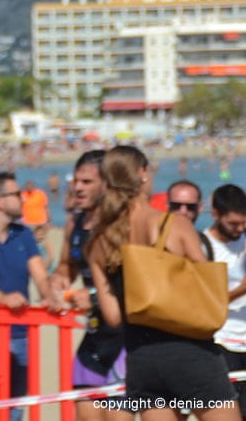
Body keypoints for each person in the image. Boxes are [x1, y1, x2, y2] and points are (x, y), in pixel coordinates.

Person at [89, 145, 237, 421]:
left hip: (142, 358)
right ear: (143, 174)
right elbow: (207, 288)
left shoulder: (99, 242)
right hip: (192, 352)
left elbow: (112, 316)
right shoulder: (173, 225)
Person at [47, 150, 130, 421]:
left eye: (87, 182)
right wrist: (57, 282)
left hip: (126, 339)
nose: (77, 188)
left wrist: (93, 297)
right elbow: (66, 266)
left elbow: (140, 285)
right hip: (94, 339)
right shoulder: (75, 223)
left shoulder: (123, 225)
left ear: (106, 184)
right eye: (76, 181)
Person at [0, 172, 51, 421]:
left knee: (15, 410)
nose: (23, 199)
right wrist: (3, 299)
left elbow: (40, 275)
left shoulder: (24, 234)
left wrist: (50, 295)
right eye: (16, 195)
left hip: (20, 333)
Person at [204, 184, 246, 415]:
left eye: (244, 222)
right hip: (222, 339)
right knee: (228, 412)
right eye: (233, 224)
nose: (240, 229)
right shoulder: (203, 246)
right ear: (215, 214)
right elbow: (205, 302)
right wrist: (242, 289)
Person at [167, 179, 214, 259]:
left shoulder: (206, 243)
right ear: (168, 205)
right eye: (176, 205)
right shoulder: (153, 237)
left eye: (190, 206)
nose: (183, 211)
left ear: (200, 207)